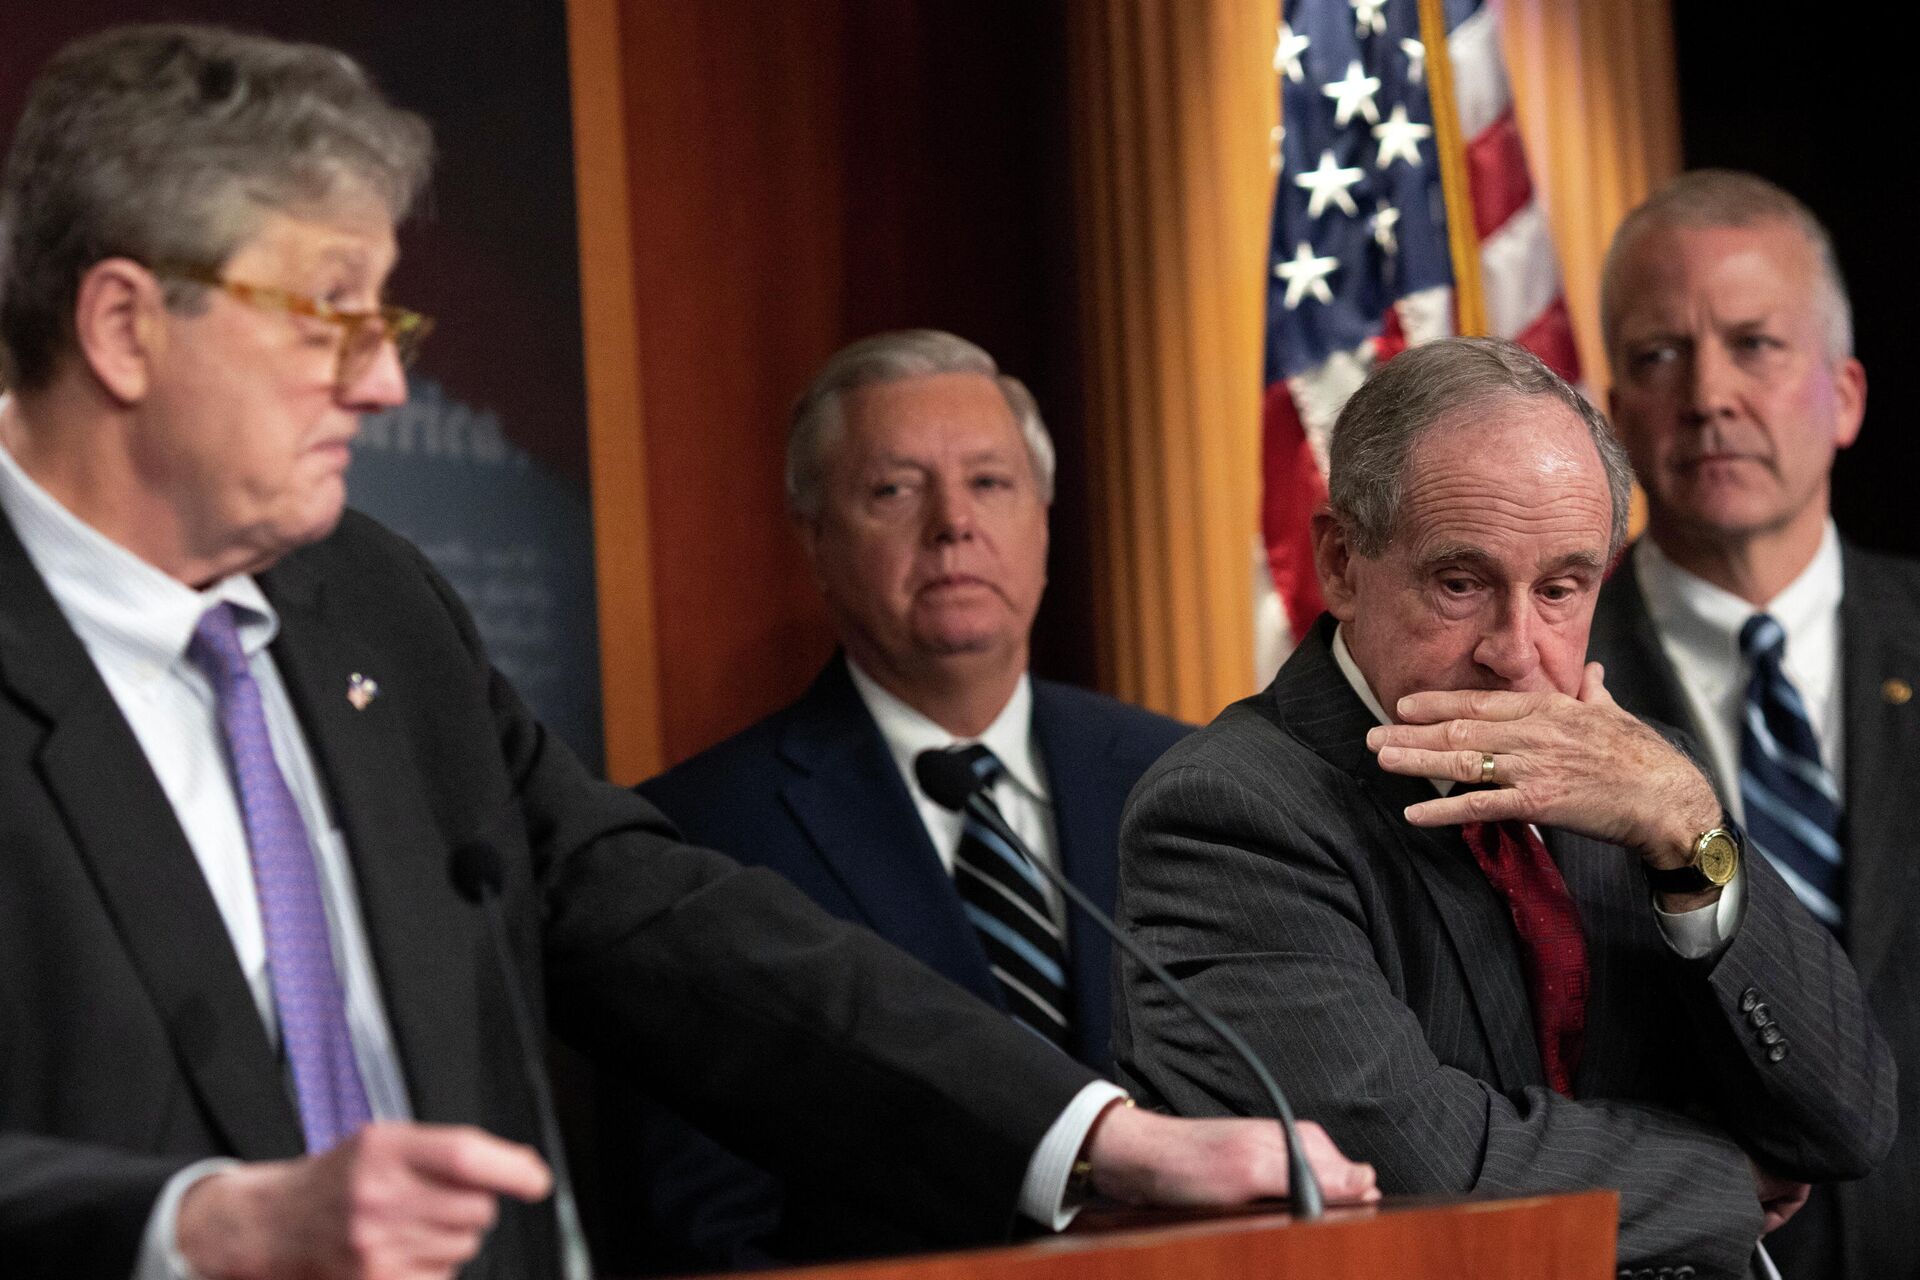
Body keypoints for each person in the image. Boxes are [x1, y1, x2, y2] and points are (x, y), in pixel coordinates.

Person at [0, 25, 1376, 1280]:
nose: (382, 382)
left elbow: (649, 921)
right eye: (330, 317)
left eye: (386, 323)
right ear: (125, 326)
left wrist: (1095, 1137)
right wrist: (194, 1229)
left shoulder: (368, 602)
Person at [1114, 336, 1894, 1280]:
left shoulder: (1640, 779)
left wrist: (1693, 830)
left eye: (1561, 590)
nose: (1516, 651)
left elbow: (1848, 1117)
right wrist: (1717, 1176)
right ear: (1342, 562)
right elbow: (1405, 1167)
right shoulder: (1229, 812)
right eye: (1460, 583)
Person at [603, 330, 1189, 1270]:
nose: (953, 523)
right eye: (894, 490)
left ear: (1043, 519)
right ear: (815, 541)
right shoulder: (697, 835)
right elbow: (708, 1228)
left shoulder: (1182, 781)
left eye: (991, 483)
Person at [1590, 170, 1920, 1280]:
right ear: (1614, 413)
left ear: (1847, 393)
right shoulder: (1553, 687)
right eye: (1658, 355)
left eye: (1755, 344)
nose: (1708, 393)